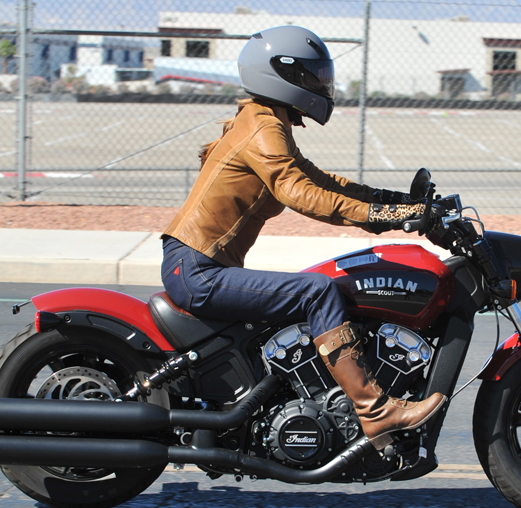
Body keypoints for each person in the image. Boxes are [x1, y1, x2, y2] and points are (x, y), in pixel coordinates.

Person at [161, 25, 445, 449]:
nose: (320, 84)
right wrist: (386, 214)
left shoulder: (265, 121)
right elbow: (302, 193)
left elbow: (323, 181)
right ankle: (375, 410)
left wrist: (399, 204)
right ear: (282, 74)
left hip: (198, 266)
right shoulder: (262, 127)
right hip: (198, 272)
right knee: (318, 292)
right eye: (312, 76)